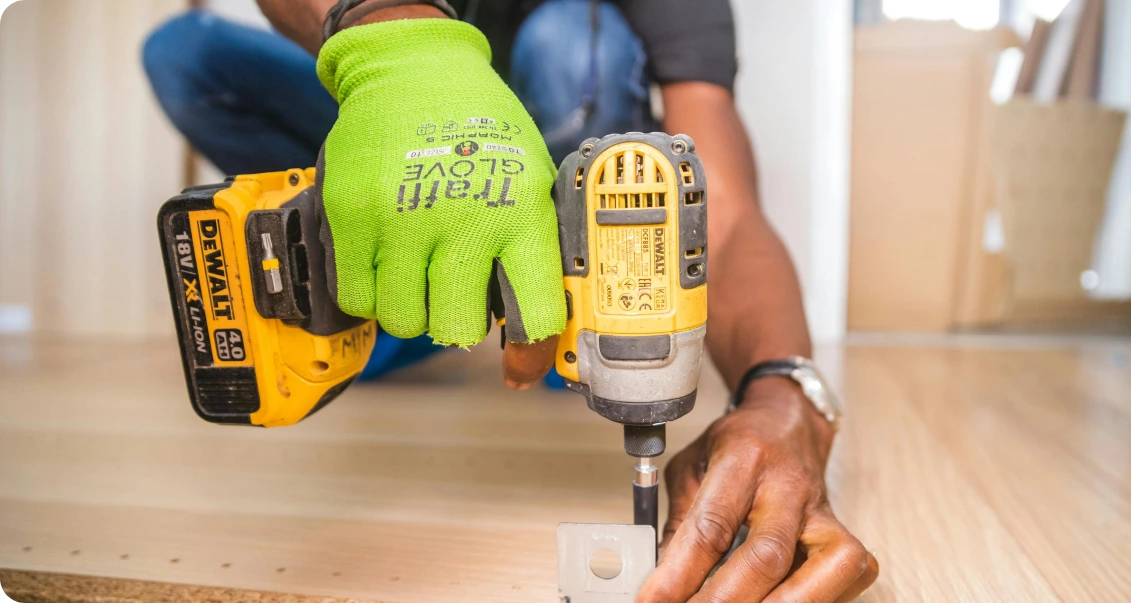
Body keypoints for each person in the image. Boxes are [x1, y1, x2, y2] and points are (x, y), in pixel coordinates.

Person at [142, 1, 879, 601]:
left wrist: (782, 392)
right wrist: (396, 43)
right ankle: (405, 286)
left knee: (568, 41)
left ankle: (538, 304)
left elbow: (727, 215)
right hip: (401, 130)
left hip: (555, 194)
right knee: (188, 54)